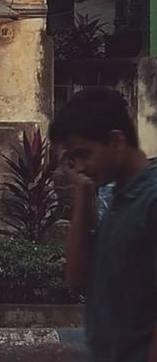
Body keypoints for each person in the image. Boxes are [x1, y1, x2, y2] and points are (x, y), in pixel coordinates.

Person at [49, 87, 157, 362]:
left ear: (116, 142)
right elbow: (76, 278)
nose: (80, 166)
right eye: (73, 159)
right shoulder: (118, 199)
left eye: (84, 154)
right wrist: (83, 193)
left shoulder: (150, 200)